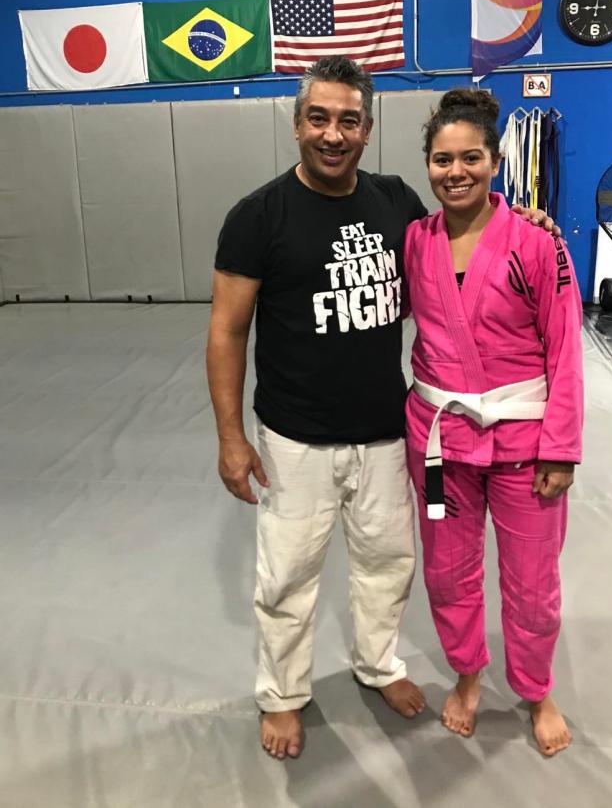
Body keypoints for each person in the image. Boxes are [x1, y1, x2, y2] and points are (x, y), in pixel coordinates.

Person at [206, 57, 557, 761]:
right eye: (318, 118)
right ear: (297, 123)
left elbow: (462, 234)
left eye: (348, 120)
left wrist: (522, 218)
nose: (332, 134)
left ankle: (377, 663)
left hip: (387, 432)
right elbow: (226, 330)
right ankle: (282, 694)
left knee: (387, 564)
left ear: (367, 129)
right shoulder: (257, 217)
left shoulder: (395, 202)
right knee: (288, 574)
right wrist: (231, 437)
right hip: (295, 437)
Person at [403, 89, 583, 758]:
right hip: (440, 441)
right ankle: (468, 673)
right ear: (428, 164)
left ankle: (536, 688)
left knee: (532, 583)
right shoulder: (414, 240)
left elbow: (566, 349)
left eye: (471, 157)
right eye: (442, 159)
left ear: (495, 161)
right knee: (447, 573)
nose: (457, 171)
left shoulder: (537, 242)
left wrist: (561, 448)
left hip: (524, 444)